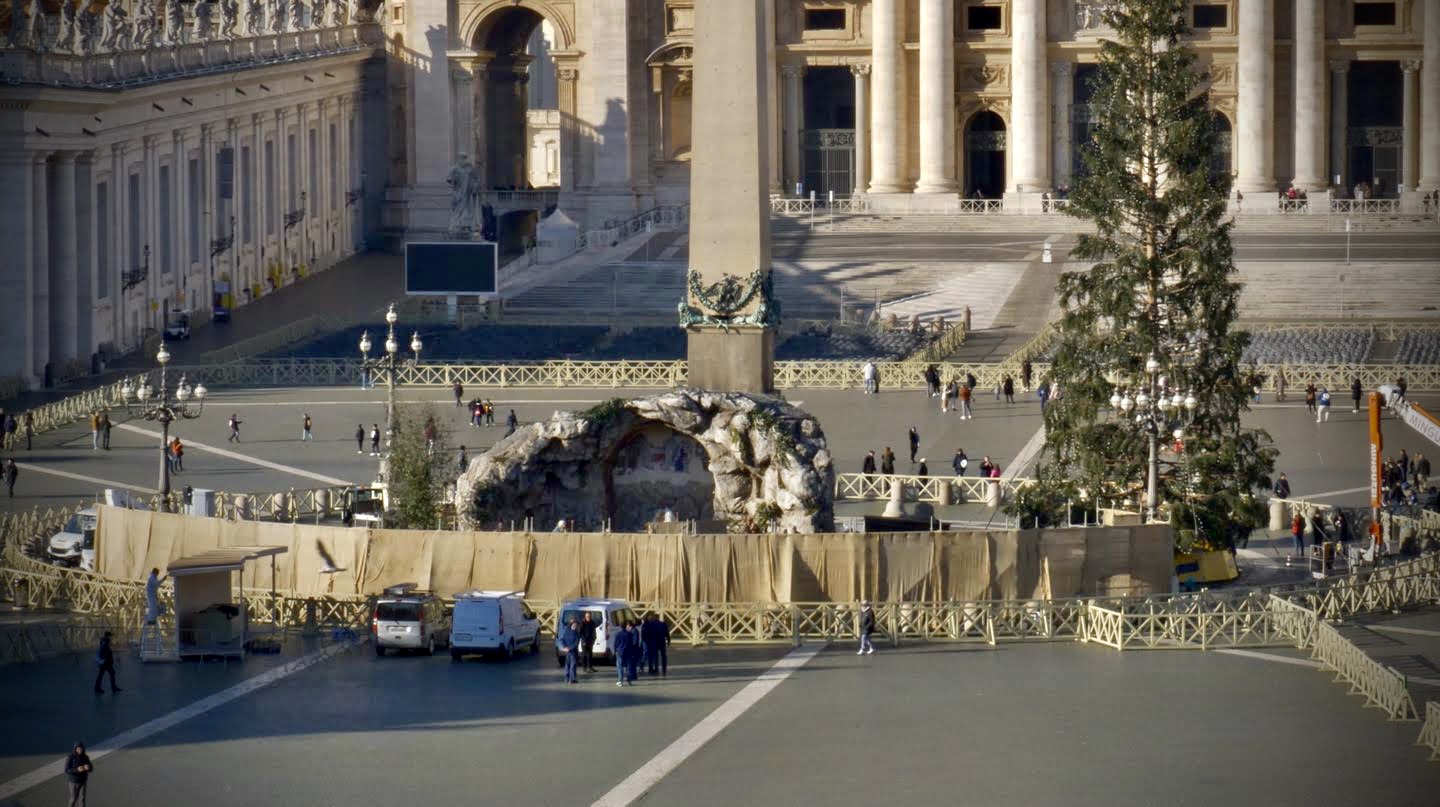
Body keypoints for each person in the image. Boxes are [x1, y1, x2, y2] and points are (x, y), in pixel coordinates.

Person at [65, 741, 93, 807]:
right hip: (73, 782)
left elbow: (91, 768)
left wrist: (88, 767)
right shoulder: (70, 757)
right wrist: (77, 770)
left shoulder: (86, 757)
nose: (80, 750)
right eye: (78, 748)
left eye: (81, 748)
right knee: (74, 798)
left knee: (82, 799)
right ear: (75, 749)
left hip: (83, 781)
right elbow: (67, 770)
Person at [613, 621, 639, 687]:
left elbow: (616, 644)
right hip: (628, 652)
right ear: (625, 626)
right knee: (628, 667)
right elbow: (631, 643)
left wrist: (615, 651)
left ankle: (620, 681)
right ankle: (629, 680)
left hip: (620, 652)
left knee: (620, 667)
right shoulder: (630, 634)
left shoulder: (618, 634)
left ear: (620, 627)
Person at [557, 617, 581, 684]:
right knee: (572, 665)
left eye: (575, 624)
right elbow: (576, 643)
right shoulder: (576, 633)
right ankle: (571, 679)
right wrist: (568, 648)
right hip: (573, 652)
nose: (575, 625)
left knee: (567, 665)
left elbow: (562, 640)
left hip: (568, 651)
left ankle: (566, 679)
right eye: (574, 624)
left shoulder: (567, 631)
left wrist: (565, 647)